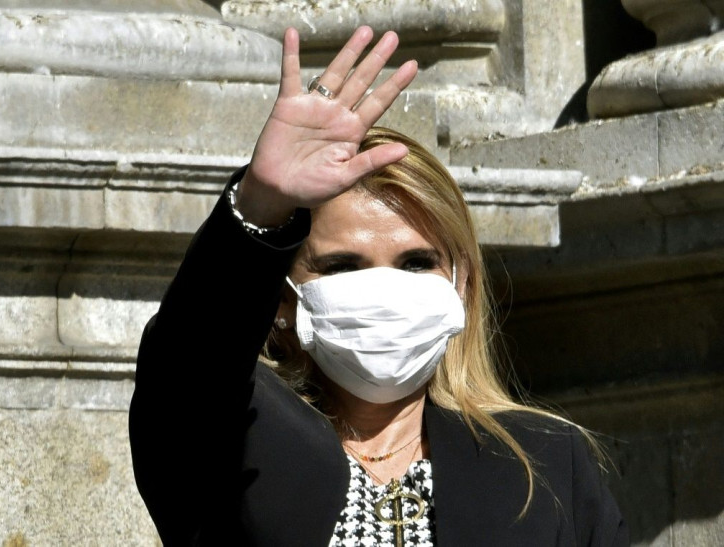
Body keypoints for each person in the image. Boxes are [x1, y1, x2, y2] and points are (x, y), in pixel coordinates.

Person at [129, 25, 629, 546]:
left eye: (416, 263)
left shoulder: (545, 467)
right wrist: (261, 202)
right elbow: (187, 364)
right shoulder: (234, 438)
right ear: (282, 300)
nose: (385, 289)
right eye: (344, 266)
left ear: (460, 285)